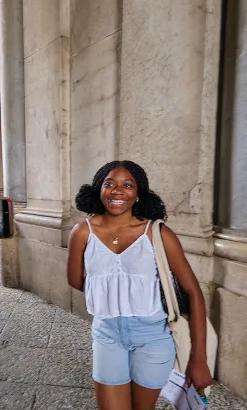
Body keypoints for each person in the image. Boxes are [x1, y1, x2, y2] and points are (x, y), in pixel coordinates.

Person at [67, 161, 212, 410]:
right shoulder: (82, 232)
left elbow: (193, 292)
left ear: (138, 194)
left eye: (128, 185)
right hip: (107, 333)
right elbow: (76, 280)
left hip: (153, 337)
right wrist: (115, 291)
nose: (117, 191)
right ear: (99, 190)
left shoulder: (157, 233)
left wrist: (199, 360)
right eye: (109, 183)